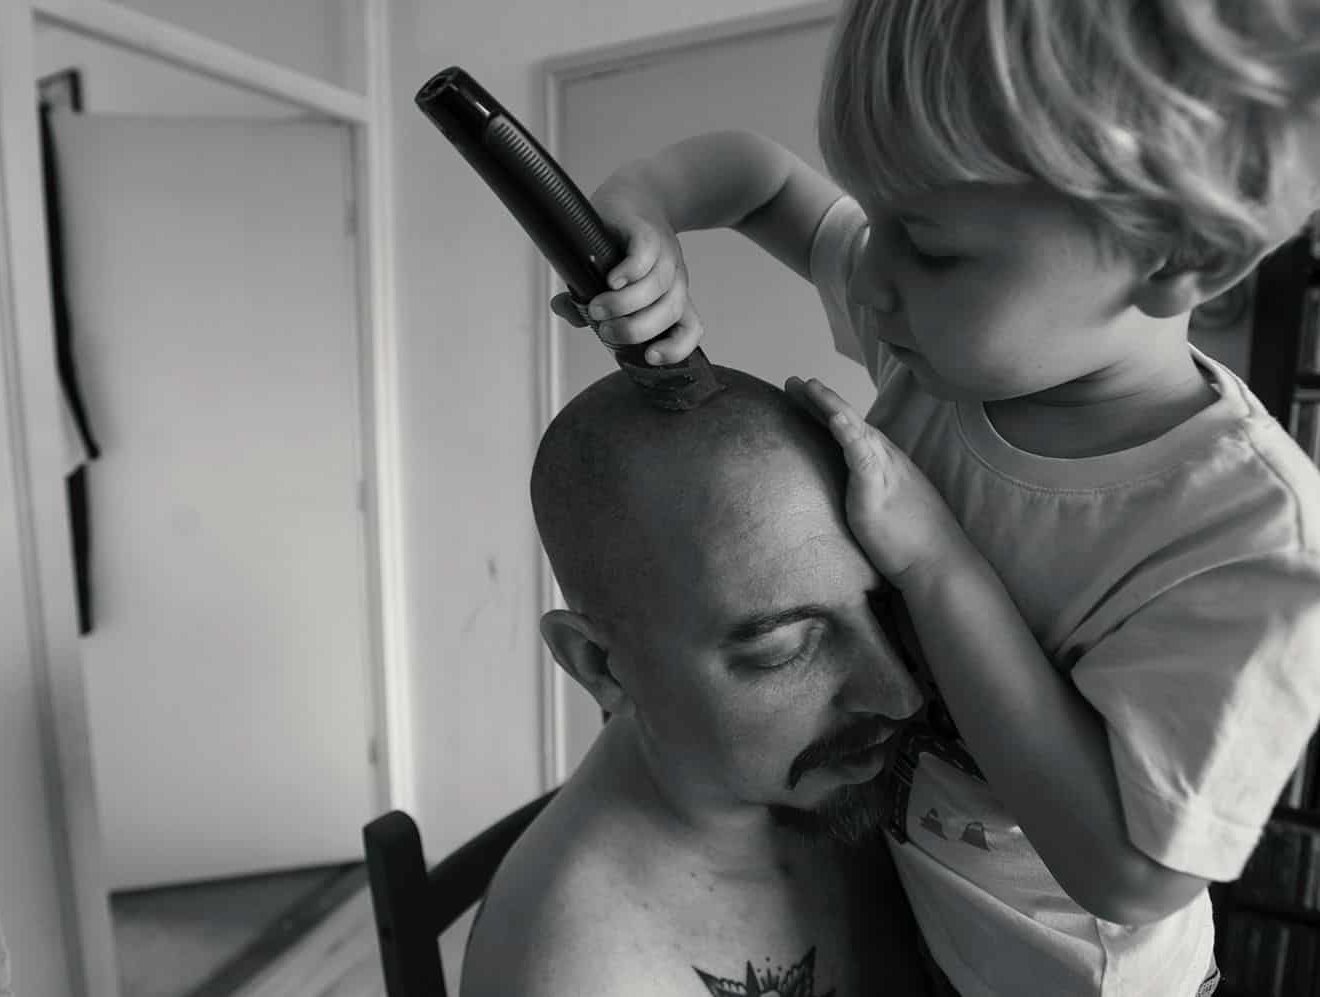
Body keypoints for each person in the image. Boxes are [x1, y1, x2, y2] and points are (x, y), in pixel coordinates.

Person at [549, 2, 1320, 994]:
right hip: (925, 941)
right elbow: (753, 174)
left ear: (1176, 257)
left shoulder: (1249, 539)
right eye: (873, 219)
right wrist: (643, 206)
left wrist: (935, 558)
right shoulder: (943, 353)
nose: (867, 278)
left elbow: (1130, 876)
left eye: (932, 245)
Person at [461, 365, 931, 996]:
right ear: (599, 665)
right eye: (782, 649)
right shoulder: (584, 975)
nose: (898, 694)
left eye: (886, 607)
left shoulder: (830, 769)